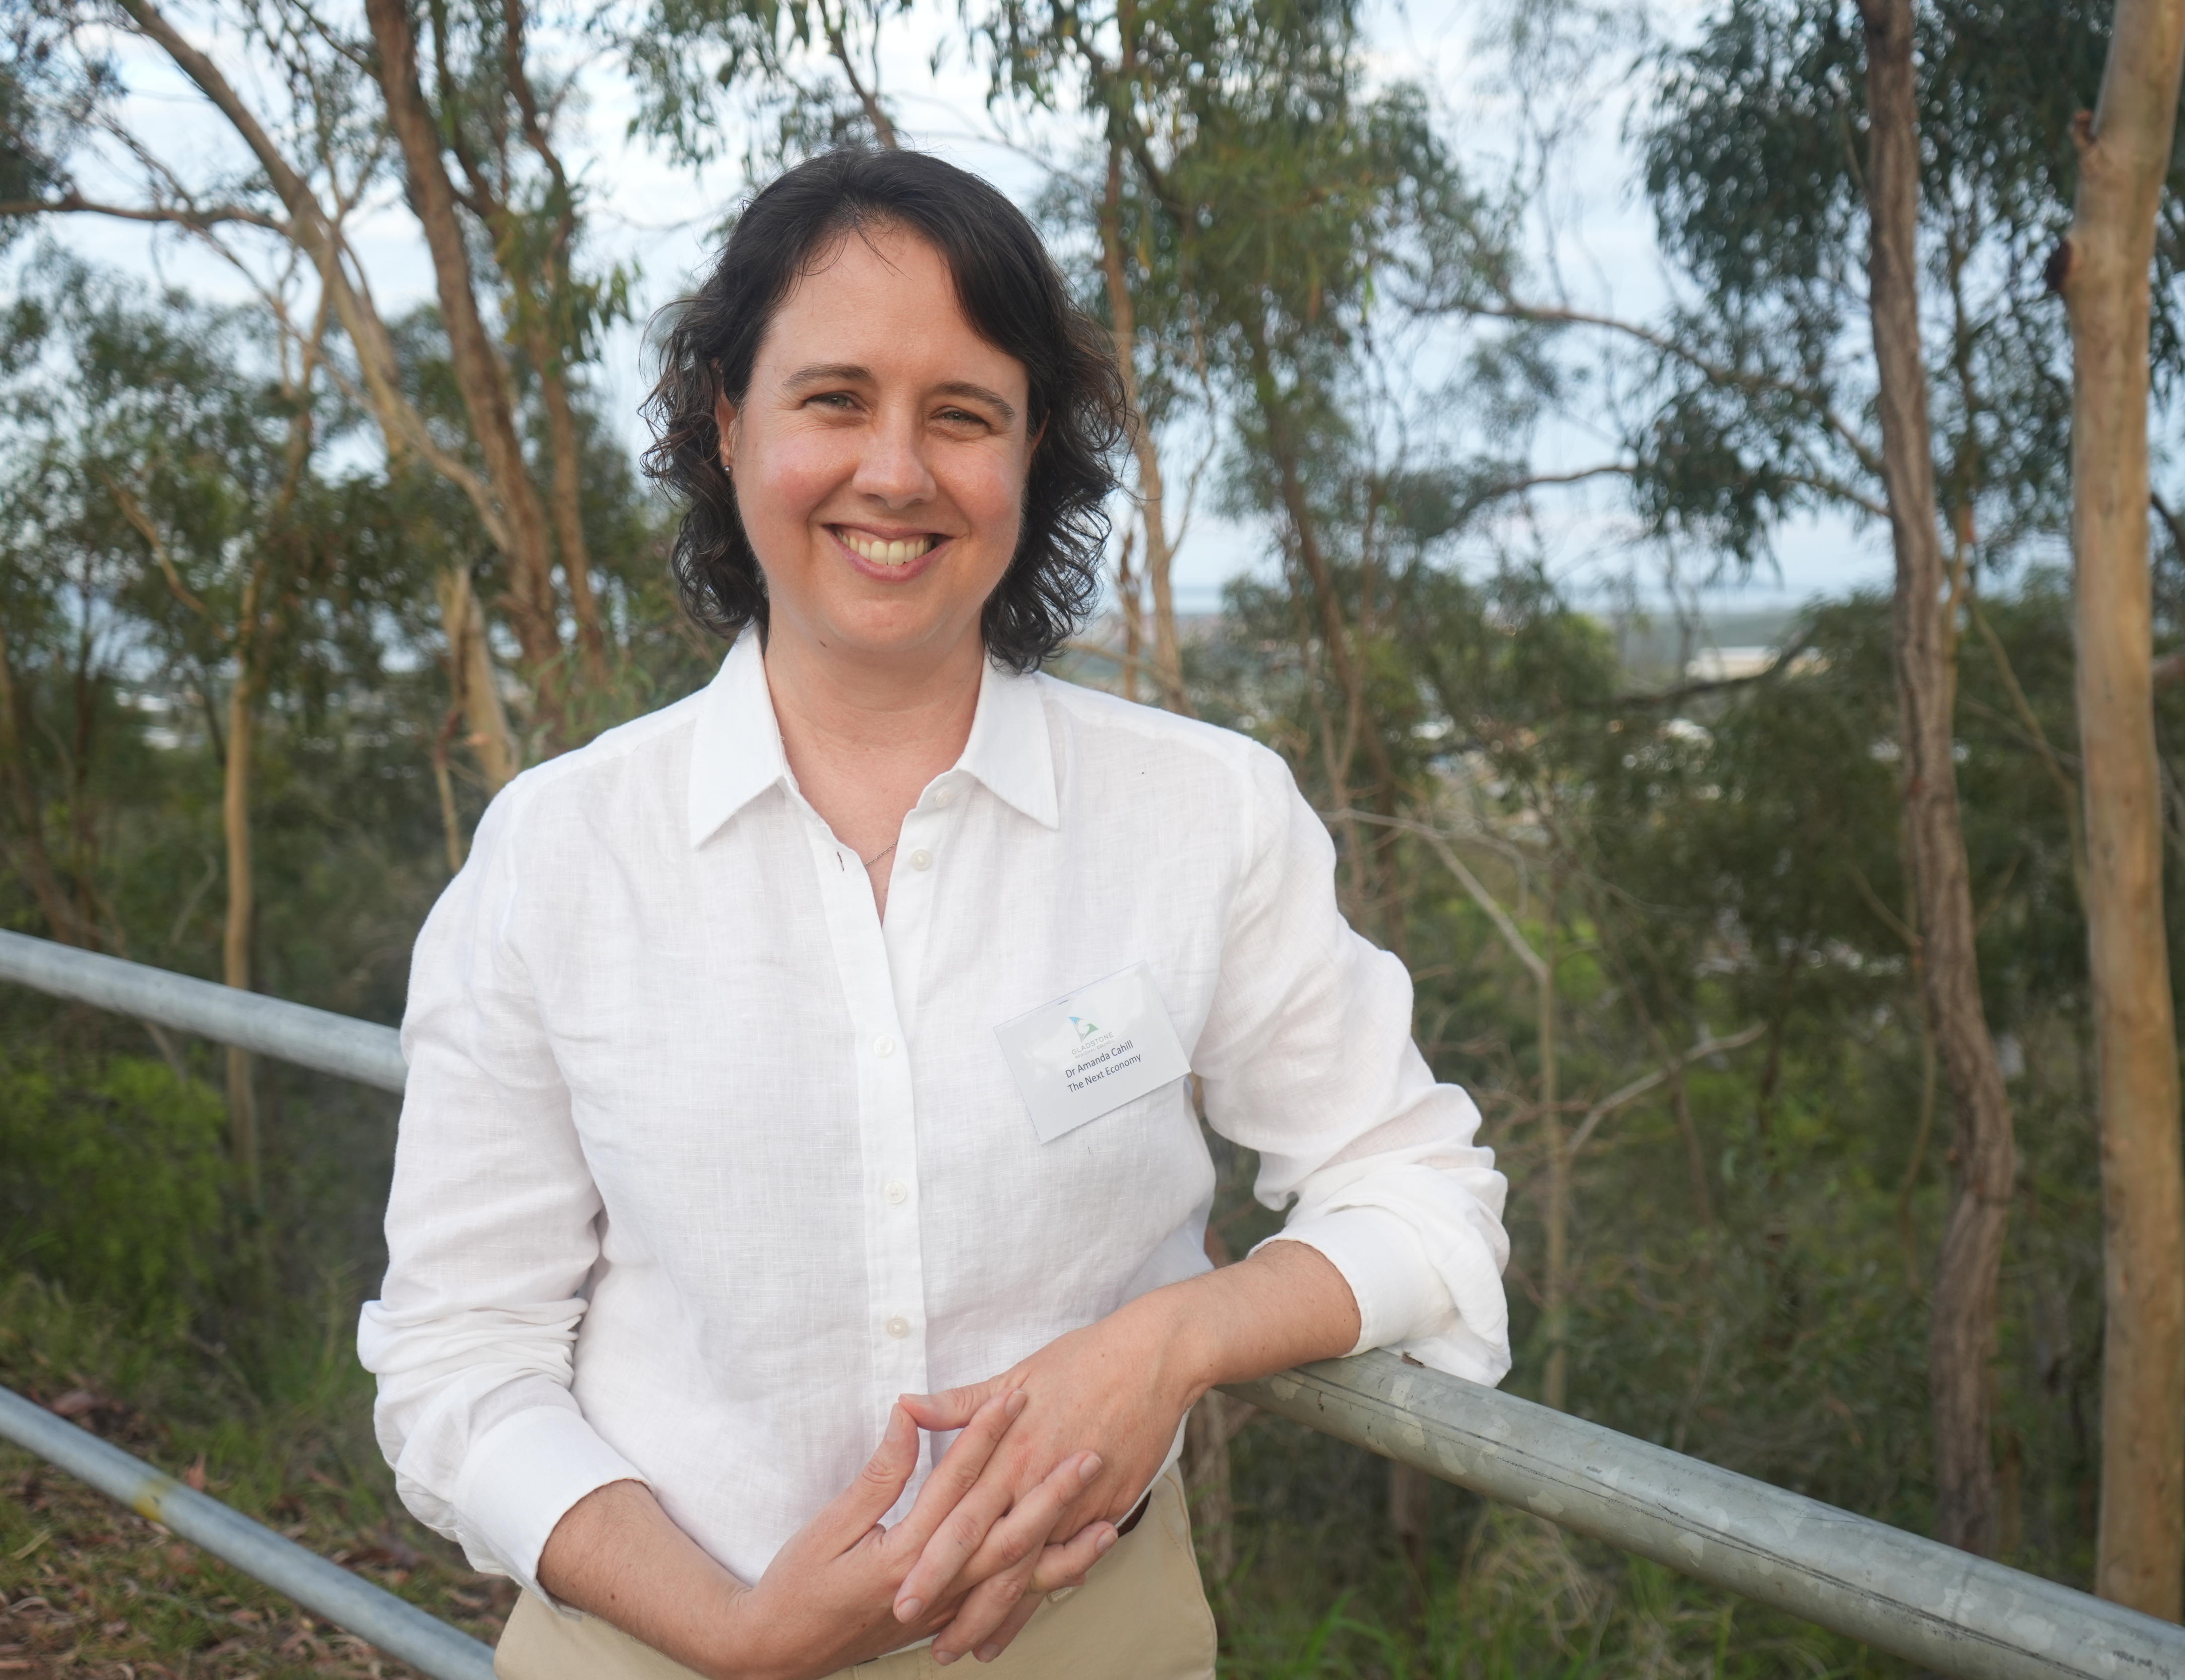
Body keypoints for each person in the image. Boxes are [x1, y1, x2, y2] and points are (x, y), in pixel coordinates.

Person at [357, 148, 1510, 1680]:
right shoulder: (559, 855)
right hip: (652, 1640)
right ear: (727, 421)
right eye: (834, 399)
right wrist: (734, 1633)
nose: (894, 472)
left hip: (1086, 1638)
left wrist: (1169, 1343)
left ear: (1033, 455)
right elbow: (457, 1358)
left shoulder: (1200, 817)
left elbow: (1421, 1192)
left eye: (963, 414)